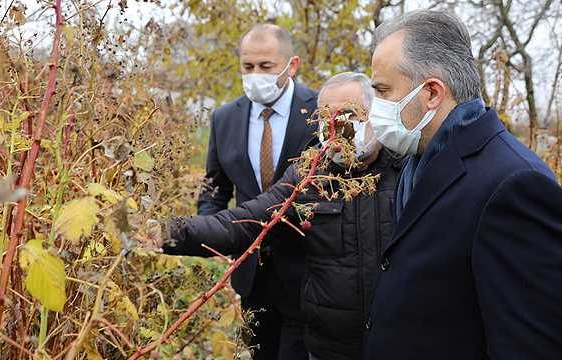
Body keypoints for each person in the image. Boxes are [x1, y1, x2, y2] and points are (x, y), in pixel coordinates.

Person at [363, 10, 562, 359]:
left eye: (383, 91)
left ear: (432, 92)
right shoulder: (420, 159)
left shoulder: (515, 186)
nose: (376, 108)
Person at [154, 72, 401, 360]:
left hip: (397, 340)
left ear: (376, 114)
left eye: (348, 115)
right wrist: (166, 232)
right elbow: (243, 223)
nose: (335, 128)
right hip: (330, 346)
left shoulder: (407, 167)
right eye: (325, 118)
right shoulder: (307, 177)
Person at [193, 23, 317, 359]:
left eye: (266, 67)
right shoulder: (224, 119)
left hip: (308, 272)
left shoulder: (319, 112)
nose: (255, 75)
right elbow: (214, 190)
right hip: (251, 276)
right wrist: (211, 235)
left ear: (291, 65)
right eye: (248, 67)